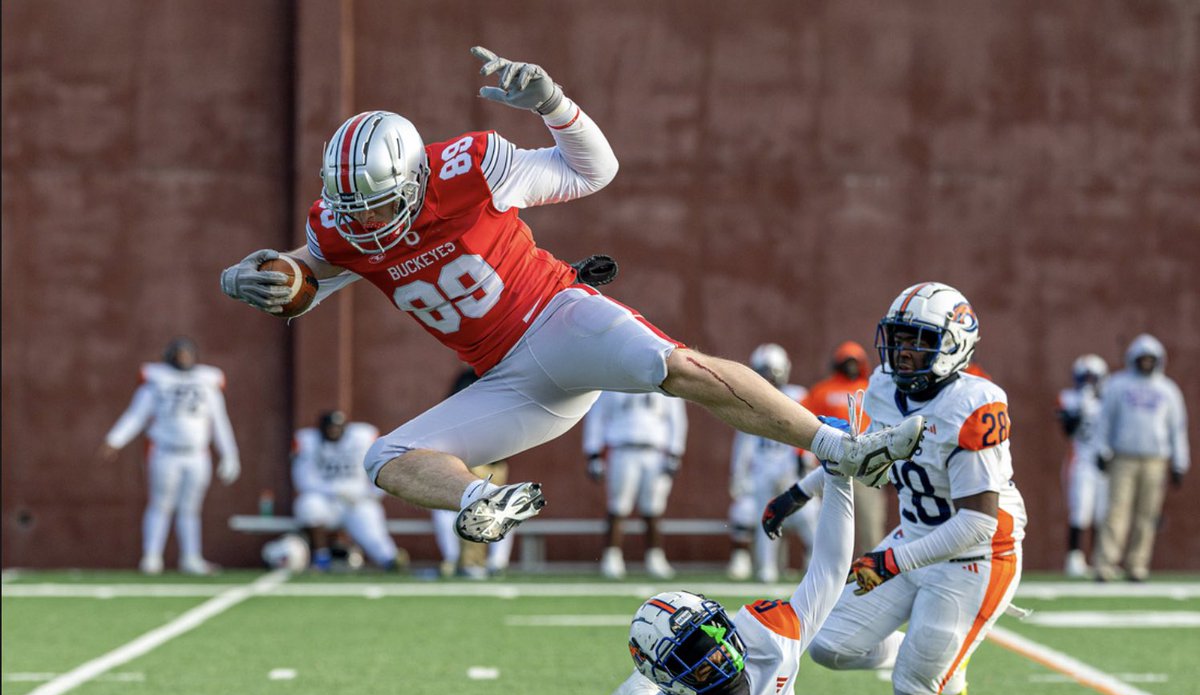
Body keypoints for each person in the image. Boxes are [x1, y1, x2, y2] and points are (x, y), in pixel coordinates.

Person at [219, 45, 925, 546]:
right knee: (385, 460)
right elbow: (307, 281)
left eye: (375, 205)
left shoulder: (471, 169)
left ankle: (839, 446)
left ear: (411, 181)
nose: (361, 221)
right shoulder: (340, 225)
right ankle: (482, 502)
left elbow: (594, 170)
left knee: (677, 369)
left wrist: (553, 106)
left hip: (557, 316)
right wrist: (252, 279)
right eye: (349, 207)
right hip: (511, 380)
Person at [760, 283, 1026, 695]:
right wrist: (799, 492)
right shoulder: (883, 385)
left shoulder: (976, 404)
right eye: (898, 338)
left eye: (919, 340)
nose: (904, 351)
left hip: (977, 554)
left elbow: (977, 522)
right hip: (916, 535)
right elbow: (861, 452)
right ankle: (929, 655)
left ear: (955, 345)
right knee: (832, 647)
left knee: (912, 685)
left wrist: (890, 559)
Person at [597, 429, 858, 695]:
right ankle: (641, 694)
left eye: (713, 635)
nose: (717, 652)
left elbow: (829, 570)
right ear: (672, 680)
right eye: (695, 656)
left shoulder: (769, 637)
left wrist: (840, 476)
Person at [99, 337, 240, 574]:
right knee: (160, 504)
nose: (184, 358)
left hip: (197, 454)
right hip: (164, 452)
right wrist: (115, 440)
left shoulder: (207, 384)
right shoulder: (156, 382)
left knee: (191, 508)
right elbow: (136, 415)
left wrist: (230, 454)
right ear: (169, 356)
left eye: (187, 353)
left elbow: (219, 422)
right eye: (179, 354)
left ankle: (191, 558)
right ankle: (152, 557)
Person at [1093, 334, 1189, 583]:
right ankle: (1105, 564)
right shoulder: (1118, 385)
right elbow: (1105, 420)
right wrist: (1102, 450)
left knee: (1147, 515)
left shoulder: (1167, 389)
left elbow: (1177, 428)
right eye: (1142, 358)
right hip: (1123, 457)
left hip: (1155, 460)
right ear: (1133, 359)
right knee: (1116, 511)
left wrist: (1180, 462)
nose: (1146, 363)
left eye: (1150, 359)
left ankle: (1137, 565)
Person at [727, 344, 817, 583]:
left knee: (810, 518)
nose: (768, 377)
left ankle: (818, 564)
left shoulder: (798, 395)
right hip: (763, 468)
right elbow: (743, 444)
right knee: (763, 517)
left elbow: (811, 433)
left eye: (770, 371)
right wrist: (738, 476)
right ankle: (767, 567)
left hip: (791, 469)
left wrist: (806, 461)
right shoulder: (750, 401)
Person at [583, 391, 688, 579]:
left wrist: (675, 451)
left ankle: (655, 557)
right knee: (618, 506)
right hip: (622, 449)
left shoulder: (663, 384)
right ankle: (612, 557)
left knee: (653, 508)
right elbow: (597, 417)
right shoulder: (612, 383)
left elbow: (677, 419)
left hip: (655, 451)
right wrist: (593, 453)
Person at [800, 340, 887, 557]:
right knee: (825, 525)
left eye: (855, 361)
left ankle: (870, 570)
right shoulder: (822, 390)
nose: (851, 366)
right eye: (846, 361)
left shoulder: (872, 390)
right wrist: (802, 455)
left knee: (870, 523)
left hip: (865, 465)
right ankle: (821, 565)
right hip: (829, 464)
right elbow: (804, 420)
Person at [292, 410, 406, 572]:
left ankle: (389, 559)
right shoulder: (308, 441)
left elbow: (381, 466)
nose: (334, 431)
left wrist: (373, 494)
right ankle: (321, 558)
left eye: (338, 427)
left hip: (356, 500)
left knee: (370, 524)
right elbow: (303, 480)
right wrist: (336, 490)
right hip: (326, 501)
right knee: (308, 505)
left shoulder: (363, 437)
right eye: (330, 427)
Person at [430, 366, 516, 578]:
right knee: (467, 508)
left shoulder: (499, 380)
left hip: (493, 458)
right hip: (471, 456)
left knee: (497, 508)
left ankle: (492, 562)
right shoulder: (468, 379)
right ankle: (464, 561)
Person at [1056, 354, 1109, 578]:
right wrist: (1082, 408)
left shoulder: (1109, 400)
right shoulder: (1069, 398)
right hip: (1079, 460)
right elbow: (1068, 429)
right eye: (1084, 377)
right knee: (1080, 511)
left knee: (1102, 513)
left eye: (1092, 377)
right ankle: (1074, 558)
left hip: (1103, 461)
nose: (1088, 382)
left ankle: (1101, 558)